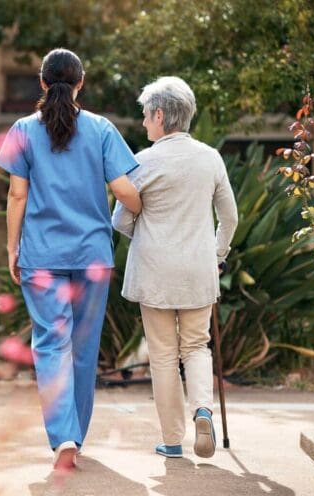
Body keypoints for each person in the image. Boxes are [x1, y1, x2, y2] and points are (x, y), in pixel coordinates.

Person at [0, 48, 142, 470]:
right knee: (83, 346)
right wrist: (144, 209)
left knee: (50, 344)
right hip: (93, 255)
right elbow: (123, 188)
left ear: (42, 83)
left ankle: (64, 436)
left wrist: (13, 248)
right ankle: (74, 433)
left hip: (41, 255)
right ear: (81, 82)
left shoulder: (23, 129)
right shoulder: (101, 128)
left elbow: (17, 194)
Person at [112, 76, 238, 459]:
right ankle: (203, 409)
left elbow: (121, 219)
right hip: (198, 270)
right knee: (197, 346)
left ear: (161, 114)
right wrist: (217, 253)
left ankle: (172, 440)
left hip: (154, 272)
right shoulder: (210, 157)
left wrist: (145, 234)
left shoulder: (142, 163)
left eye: (147, 116)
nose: (145, 123)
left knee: (164, 355)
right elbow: (229, 217)